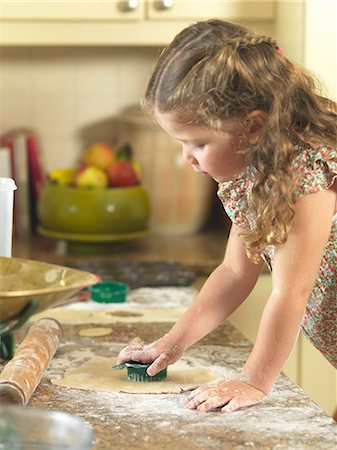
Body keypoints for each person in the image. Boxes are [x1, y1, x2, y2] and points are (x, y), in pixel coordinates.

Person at [117, 19, 337, 413]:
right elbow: (236, 272)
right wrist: (173, 342)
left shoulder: (305, 170)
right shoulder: (253, 169)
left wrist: (254, 380)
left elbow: (292, 293)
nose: (187, 157)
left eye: (198, 143)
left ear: (252, 126)